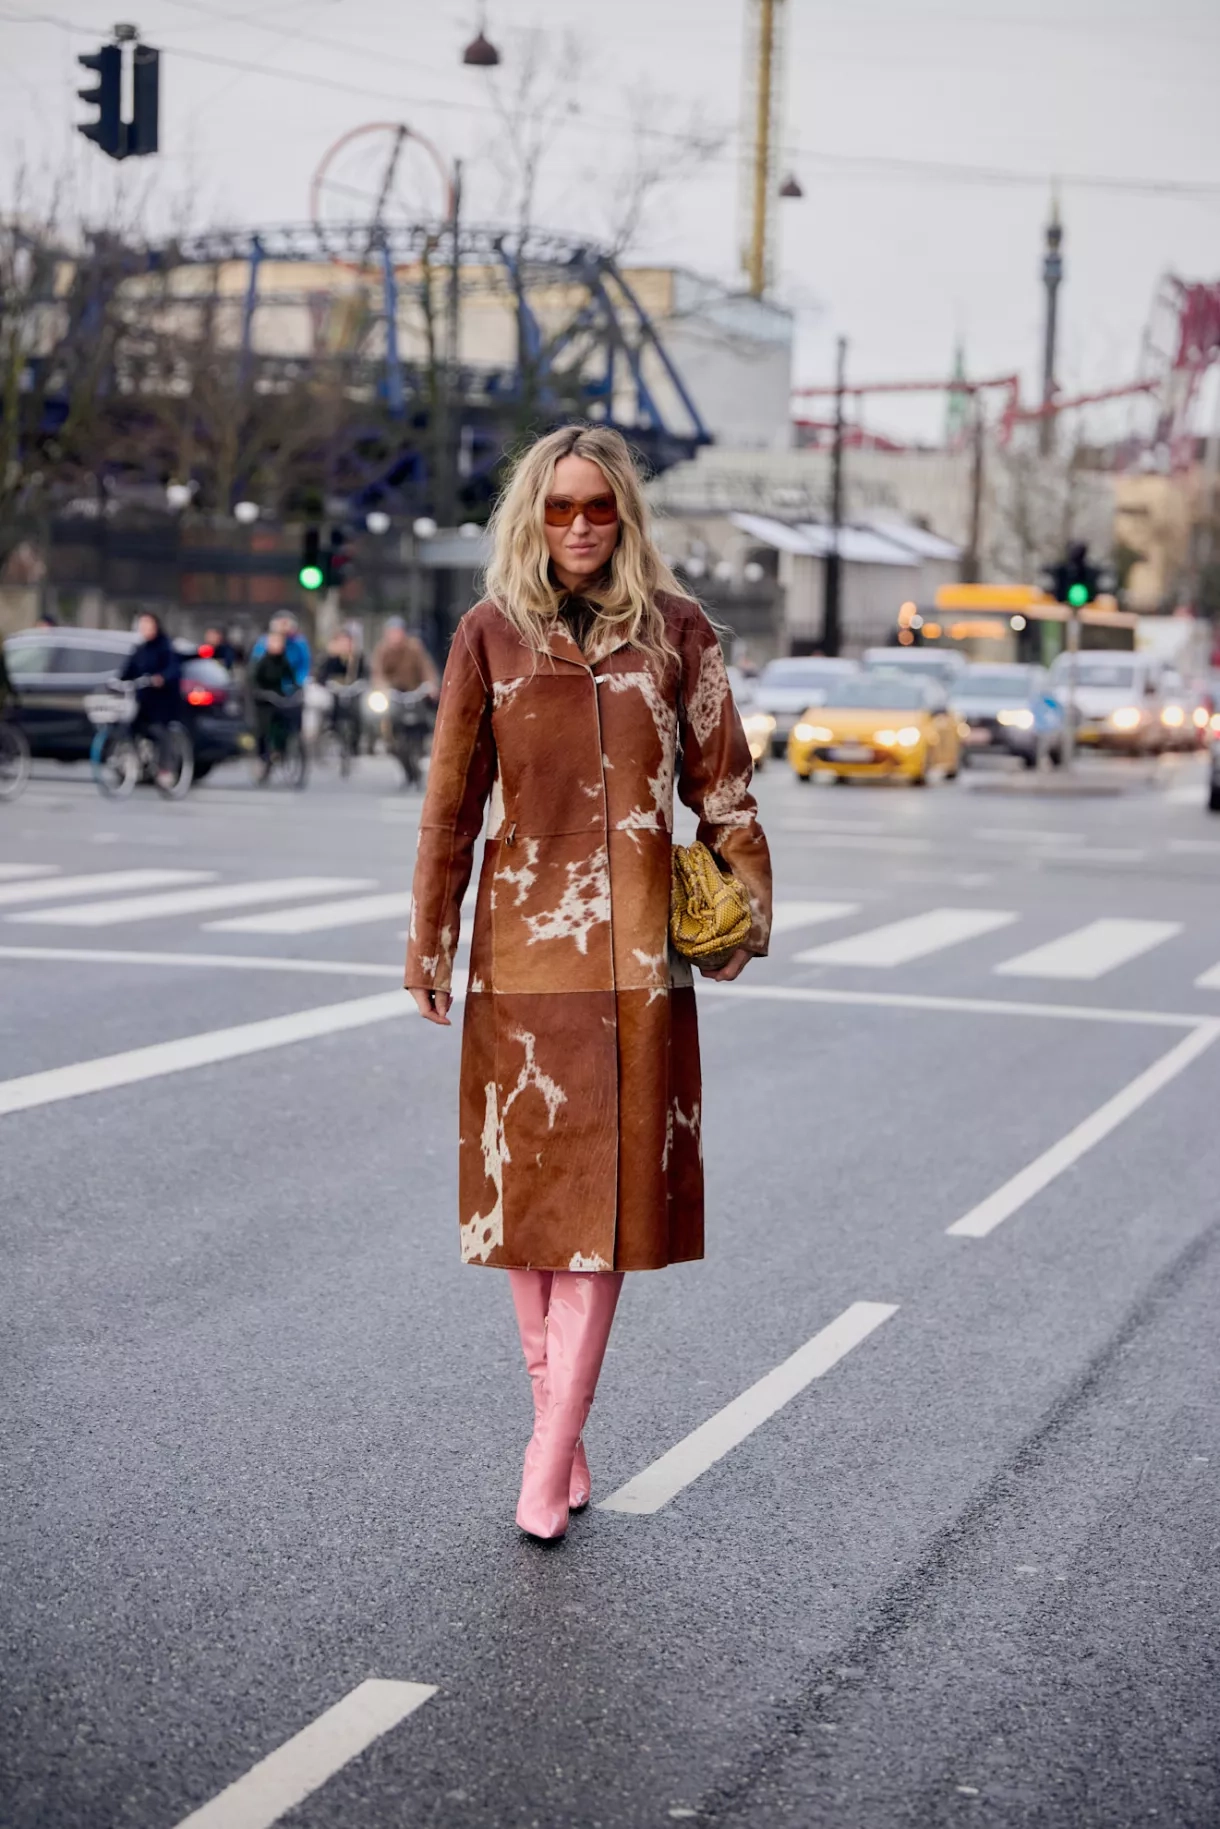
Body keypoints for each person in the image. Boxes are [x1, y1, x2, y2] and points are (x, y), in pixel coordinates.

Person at [405, 425, 773, 1543]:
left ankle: (543, 1449)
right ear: (532, 513)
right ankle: (558, 1434)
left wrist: (747, 903)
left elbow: (725, 787)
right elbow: (450, 806)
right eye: (559, 506)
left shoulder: (678, 631)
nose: (577, 525)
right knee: (527, 1210)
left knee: (603, 1214)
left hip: (636, 968)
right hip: (520, 956)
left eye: (597, 506)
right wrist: (428, 941)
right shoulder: (487, 633)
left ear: (624, 515)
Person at [120, 612, 182, 787]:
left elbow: (173, 669)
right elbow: (128, 670)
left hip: (163, 699)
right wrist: (119, 681)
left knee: (159, 731)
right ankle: (133, 760)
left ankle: (165, 768)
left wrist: (161, 678)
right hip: (143, 698)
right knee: (130, 727)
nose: (144, 629)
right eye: (142, 625)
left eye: (148, 625)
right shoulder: (140, 649)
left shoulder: (166, 647)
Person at [249, 628, 301, 775]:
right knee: (263, 728)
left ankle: (280, 751)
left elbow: (291, 677)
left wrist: (296, 688)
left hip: (278, 696)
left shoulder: (283, 661)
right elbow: (253, 680)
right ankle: (262, 757)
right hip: (263, 698)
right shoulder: (262, 661)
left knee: (284, 724)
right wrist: (259, 692)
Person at [370, 616, 439, 697]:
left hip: (413, 694)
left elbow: (426, 668)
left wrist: (431, 685)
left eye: (398, 632)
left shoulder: (414, 647)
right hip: (391, 695)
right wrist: (382, 687)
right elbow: (377, 673)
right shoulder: (382, 650)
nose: (395, 636)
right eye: (392, 633)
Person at [251, 613, 310, 688]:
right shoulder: (264, 641)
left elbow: (304, 664)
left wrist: (298, 682)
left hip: (290, 684)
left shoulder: (298, 642)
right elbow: (255, 664)